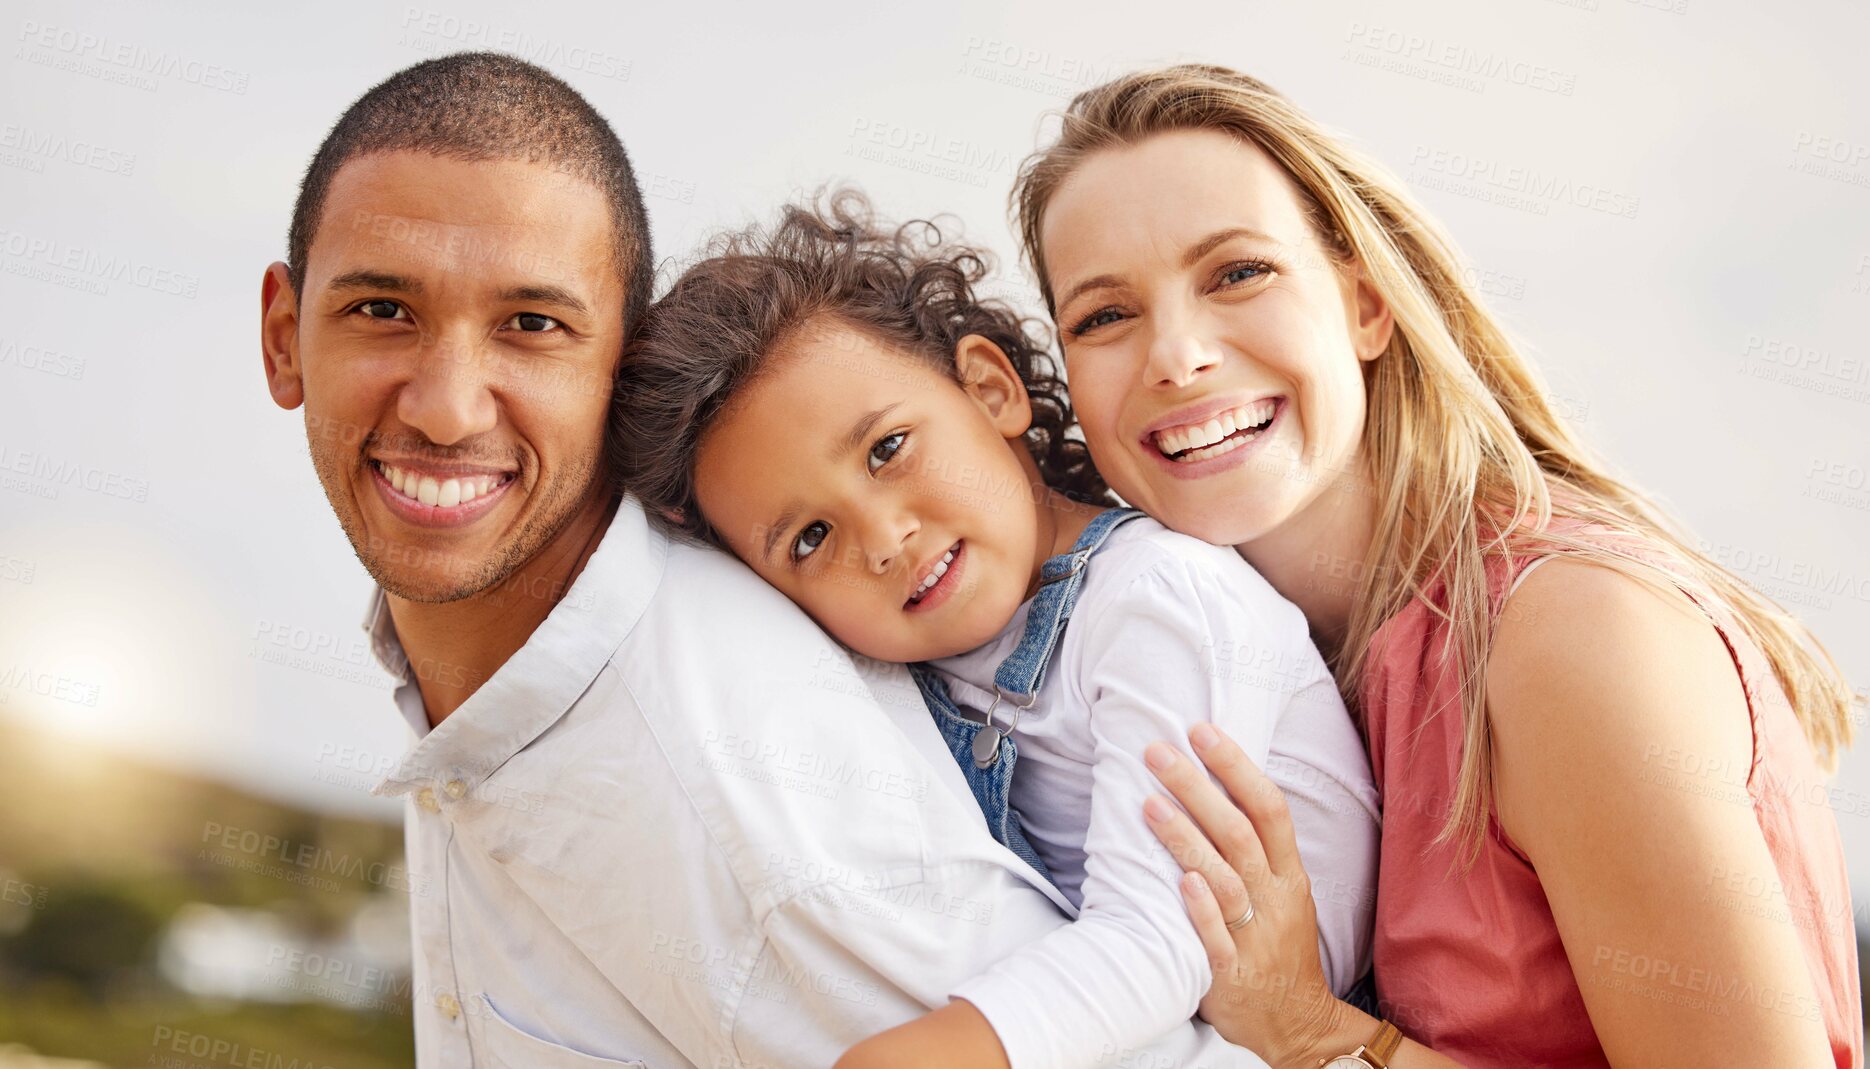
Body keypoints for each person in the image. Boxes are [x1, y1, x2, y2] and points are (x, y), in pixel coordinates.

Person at [259, 52, 1276, 1068]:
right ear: (282, 339)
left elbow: (1156, 988)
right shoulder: (518, 689)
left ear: (611, 376)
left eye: (533, 326)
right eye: (382, 310)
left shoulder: (740, 796)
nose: (446, 405)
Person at [1009, 64, 1863, 1067]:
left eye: (1237, 272)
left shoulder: (1568, 632)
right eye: (1103, 316)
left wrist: (1314, 1031)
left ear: (1366, 305)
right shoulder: (1251, 675)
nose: (1177, 354)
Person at [613, 193, 1380, 1069]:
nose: (884, 538)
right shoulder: (920, 673)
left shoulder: (1159, 599)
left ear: (990, 388)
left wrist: (910, 1058)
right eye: (810, 538)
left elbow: (1164, 941)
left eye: (888, 449)